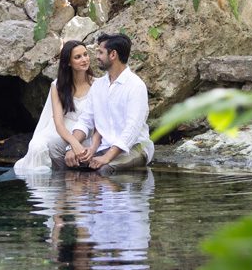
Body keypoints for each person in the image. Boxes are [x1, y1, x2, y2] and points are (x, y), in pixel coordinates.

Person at [49, 32, 153, 174]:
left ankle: (89, 184)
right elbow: (86, 121)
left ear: (113, 55)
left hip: (133, 148)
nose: (96, 56)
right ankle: (72, 190)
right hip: (101, 146)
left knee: (103, 169)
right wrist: (71, 147)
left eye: (100, 52)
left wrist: (106, 157)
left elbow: (132, 130)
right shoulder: (98, 86)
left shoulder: (136, 86)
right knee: (56, 147)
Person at [13, 40, 94, 175]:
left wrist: (75, 144)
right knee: (37, 146)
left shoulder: (97, 85)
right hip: (60, 129)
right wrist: (73, 144)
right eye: (78, 57)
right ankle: (41, 192)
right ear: (68, 62)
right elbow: (58, 124)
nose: (84, 59)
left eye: (85, 54)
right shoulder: (57, 86)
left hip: (84, 131)